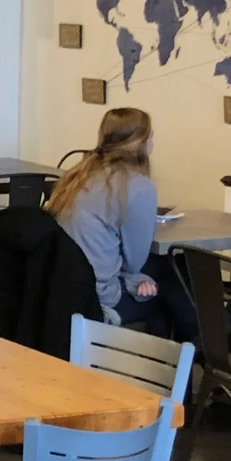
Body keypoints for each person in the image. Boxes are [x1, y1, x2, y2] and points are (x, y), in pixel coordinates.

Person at [49, 108, 193, 339]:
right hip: (99, 299)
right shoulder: (136, 186)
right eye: (151, 136)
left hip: (64, 291)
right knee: (174, 276)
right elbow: (135, 262)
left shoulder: (77, 175)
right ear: (141, 142)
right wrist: (135, 280)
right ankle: (198, 353)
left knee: (161, 284)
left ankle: (182, 361)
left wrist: (135, 280)